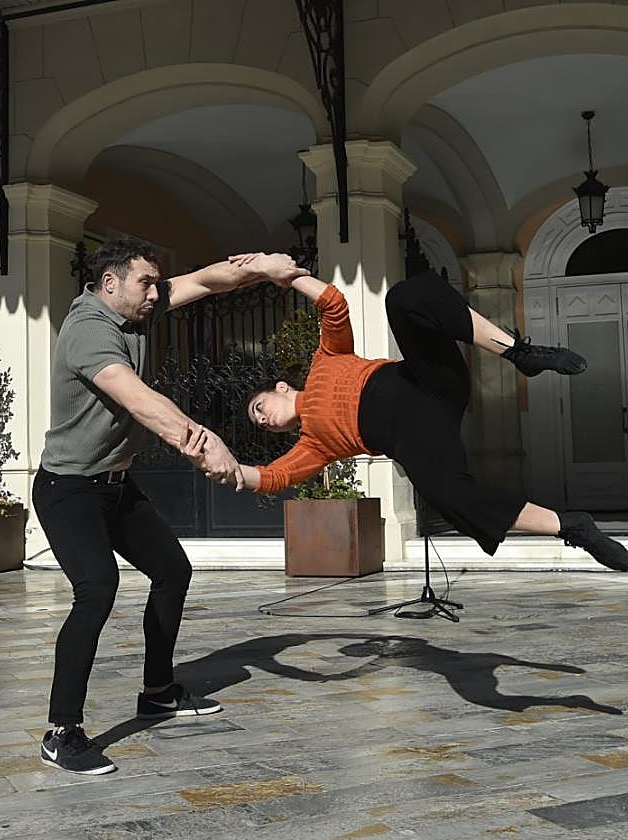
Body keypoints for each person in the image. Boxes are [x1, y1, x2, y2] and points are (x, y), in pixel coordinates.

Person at [34, 236, 308, 774]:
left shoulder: (137, 310)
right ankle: (61, 730)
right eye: (145, 283)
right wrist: (208, 444)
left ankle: (157, 691)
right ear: (110, 283)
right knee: (97, 590)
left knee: (172, 571)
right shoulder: (89, 330)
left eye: (157, 284)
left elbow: (206, 279)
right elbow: (143, 402)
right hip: (69, 489)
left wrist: (266, 269)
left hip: (115, 486)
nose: (156, 293)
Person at [217, 268, 627, 569]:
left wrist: (281, 273)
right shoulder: (312, 444)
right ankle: (573, 527)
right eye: (260, 424)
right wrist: (232, 470)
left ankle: (520, 353)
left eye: (259, 408)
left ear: (280, 388)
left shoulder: (325, 360)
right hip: (415, 440)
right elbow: (272, 477)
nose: (264, 420)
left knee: (404, 298)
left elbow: (332, 303)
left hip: (426, 384)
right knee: (450, 497)